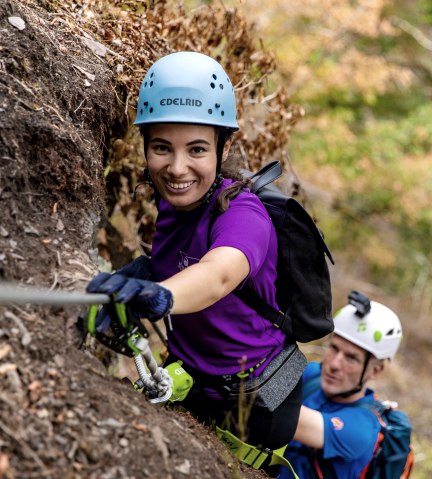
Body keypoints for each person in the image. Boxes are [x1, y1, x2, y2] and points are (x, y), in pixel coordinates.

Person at [86, 51, 305, 456]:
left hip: (252, 403)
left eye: (197, 149)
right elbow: (185, 258)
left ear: (223, 148)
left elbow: (218, 274)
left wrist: (162, 295)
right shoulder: (174, 203)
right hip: (191, 377)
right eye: (162, 147)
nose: (177, 168)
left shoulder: (244, 215)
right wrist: (147, 274)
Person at [278, 291, 410, 479]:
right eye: (334, 348)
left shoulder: (363, 427)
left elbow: (286, 420)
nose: (333, 364)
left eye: (351, 358)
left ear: (375, 370)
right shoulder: (314, 374)